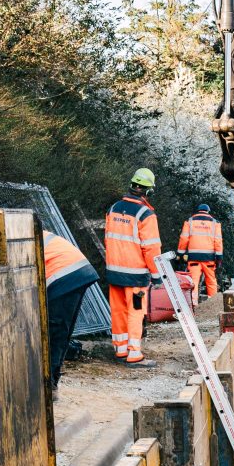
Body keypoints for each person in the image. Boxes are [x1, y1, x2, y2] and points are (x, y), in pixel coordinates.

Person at [104, 167, 162, 365]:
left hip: (114, 272)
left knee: (118, 311)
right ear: (148, 191)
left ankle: (120, 350)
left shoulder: (113, 208)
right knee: (136, 312)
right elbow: (151, 248)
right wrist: (156, 274)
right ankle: (134, 353)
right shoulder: (146, 214)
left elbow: (109, 239)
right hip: (135, 275)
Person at [41, 230, 99, 389]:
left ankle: (49, 384)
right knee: (62, 331)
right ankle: (52, 381)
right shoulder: (25, 230)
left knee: (55, 331)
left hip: (63, 274)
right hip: (77, 270)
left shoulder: (17, 236)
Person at [177, 202, 224, 299]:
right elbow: (218, 241)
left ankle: (193, 303)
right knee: (211, 281)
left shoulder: (189, 221)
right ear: (208, 211)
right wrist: (219, 258)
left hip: (193, 258)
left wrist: (180, 254)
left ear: (198, 210)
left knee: (193, 281)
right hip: (209, 258)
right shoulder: (215, 223)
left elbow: (184, 239)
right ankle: (213, 302)